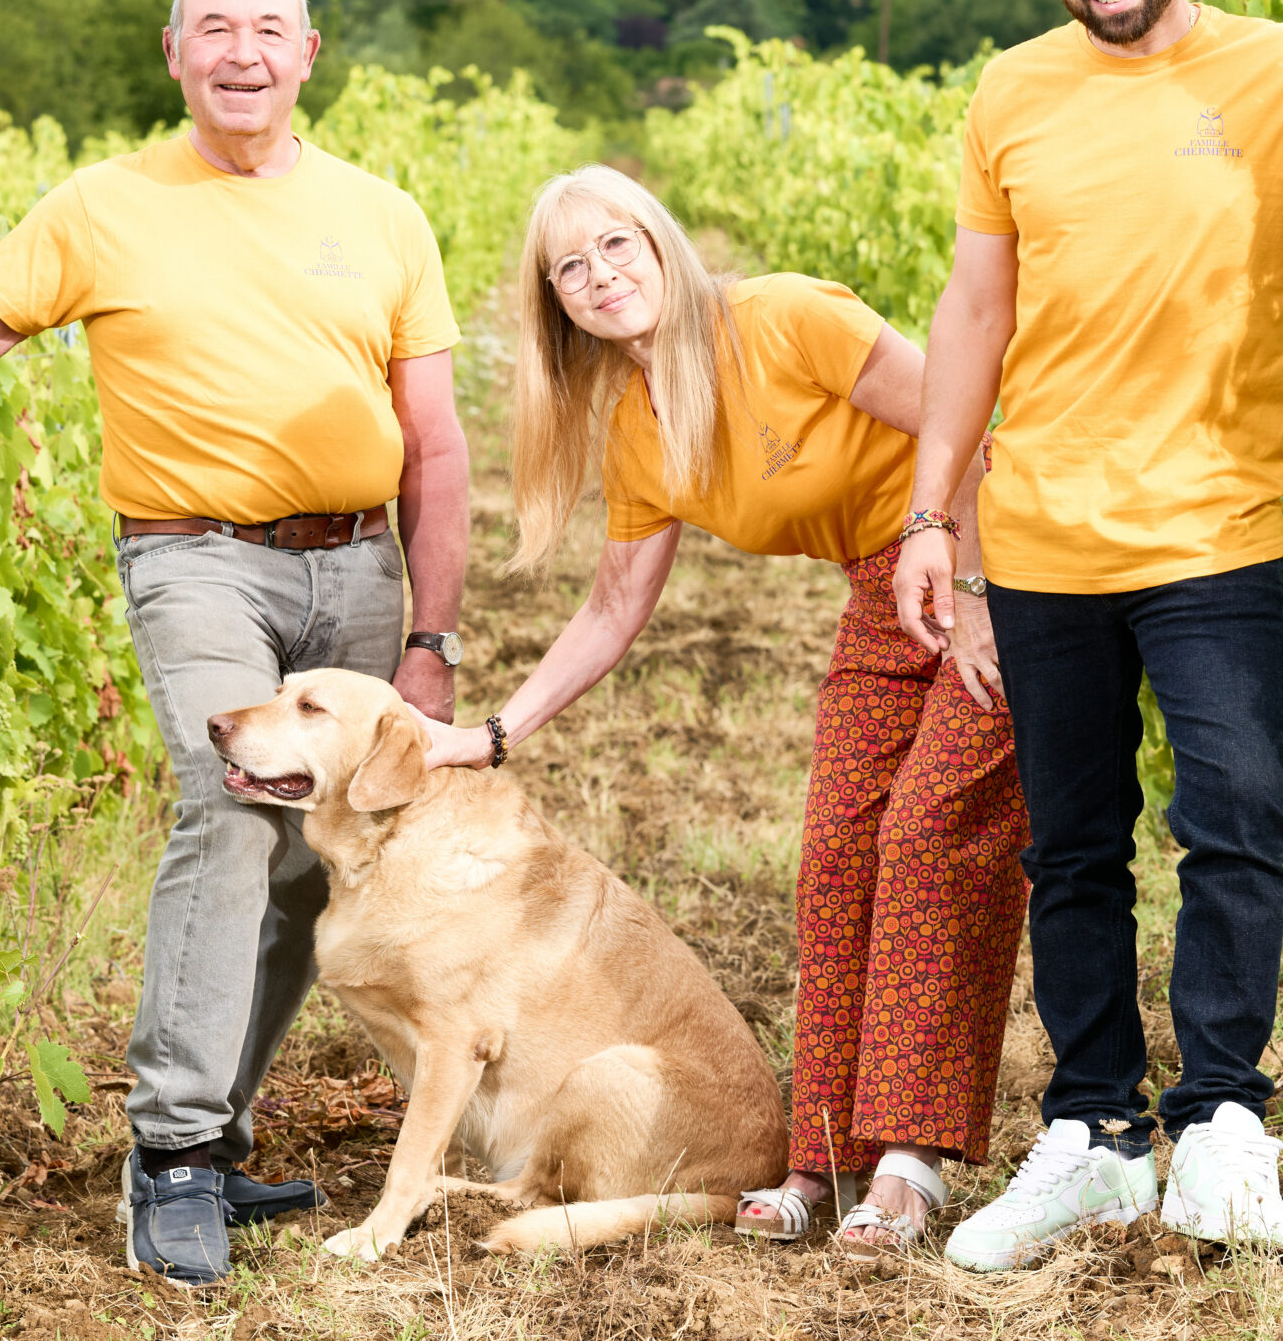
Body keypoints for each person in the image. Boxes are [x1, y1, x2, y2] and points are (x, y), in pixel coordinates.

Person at [0, 0, 472, 1287]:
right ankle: (170, 1154)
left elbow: (435, 445)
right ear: (173, 53)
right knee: (234, 803)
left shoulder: (382, 216)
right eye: (213, 28)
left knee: (314, 848)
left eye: (267, 29)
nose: (241, 53)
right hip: (195, 559)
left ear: (308, 54)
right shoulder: (102, 207)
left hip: (357, 565)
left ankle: (220, 1134)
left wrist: (430, 641)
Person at [892, 0, 1283, 1272]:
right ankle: (1093, 1135)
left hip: (1213, 529)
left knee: (1235, 826)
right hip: (1043, 541)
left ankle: (1220, 1124)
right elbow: (974, 313)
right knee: (1072, 850)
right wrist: (933, 513)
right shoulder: (1013, 91)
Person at [412, 165, 1024, 1255]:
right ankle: (824, 1153)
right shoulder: (639, 426)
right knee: (837, 854)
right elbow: (612, 607)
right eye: (570, 268)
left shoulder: (785, 320)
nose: (600, 276)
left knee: (930, 833)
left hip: (998, 556)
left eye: (615, 244)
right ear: (557, 306)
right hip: (881, 589)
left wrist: (974, 587)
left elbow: (972, 432)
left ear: (658, 240)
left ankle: (909, 1161)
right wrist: (491, 733)